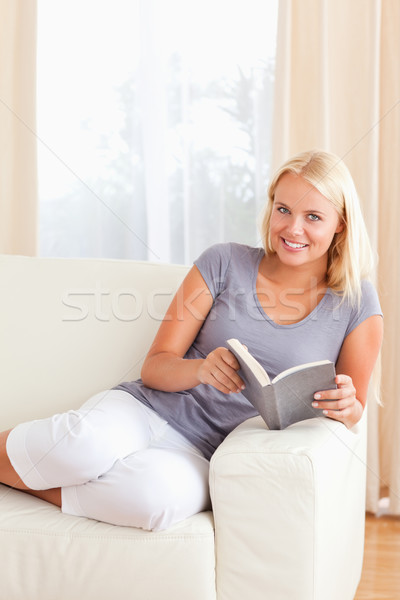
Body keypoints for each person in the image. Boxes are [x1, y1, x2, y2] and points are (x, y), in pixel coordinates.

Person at [0, 150, 383, 532]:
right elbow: (155, 366)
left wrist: (348, 406)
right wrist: (201, 369)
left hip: (207, 452)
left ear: (340, 225)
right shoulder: (223, 262)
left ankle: (29, 481)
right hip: (146, 410)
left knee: (155, 503)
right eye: (283, 210)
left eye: (313, 217)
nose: (293, 229)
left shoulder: (356, 302)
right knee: (81, 449)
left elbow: (354, 408)